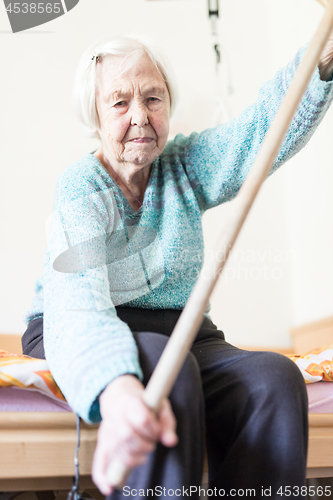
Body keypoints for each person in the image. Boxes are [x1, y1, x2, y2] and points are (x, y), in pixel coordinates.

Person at [22, 34, 333, 499]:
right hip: (83, 322)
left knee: (275, 380)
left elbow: (257, 133)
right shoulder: (81, 189)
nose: (140, 116)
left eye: (153, 98)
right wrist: (115, 387)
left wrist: (322, 63)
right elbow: (78, 294)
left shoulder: (183, 166)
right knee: (172, 374)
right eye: (120, 102)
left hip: (181, 331)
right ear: (95, 114)